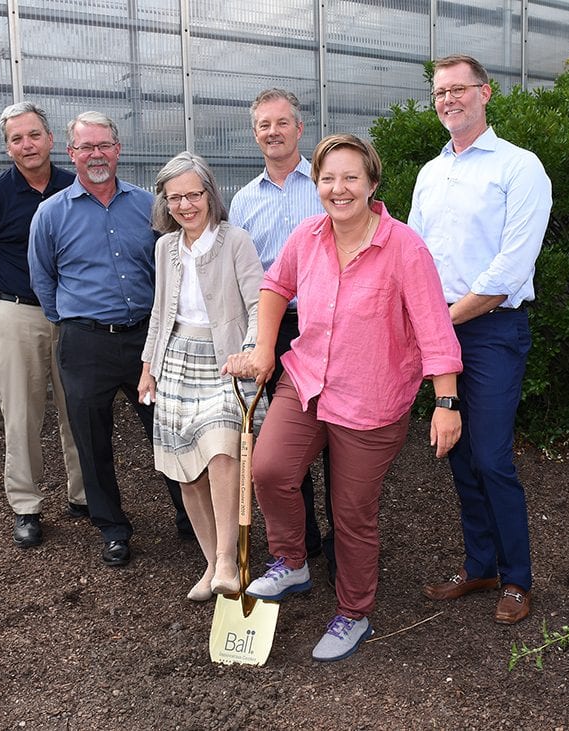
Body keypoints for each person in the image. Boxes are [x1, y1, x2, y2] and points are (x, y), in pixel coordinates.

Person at [225, 134, 463, 662]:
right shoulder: (306, 236)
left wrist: (446, 403)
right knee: (268, 470)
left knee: (351, 512)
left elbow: (434, 328)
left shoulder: (404, 246)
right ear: (317, 186)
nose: (339, 188)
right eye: (328, 178)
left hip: (371, 402)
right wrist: (264, 349)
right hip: (306, 380)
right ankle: (292, 561)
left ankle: (353, 612)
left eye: (351, 177)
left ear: (372, 184)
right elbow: (273, 286)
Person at [409, 54, 552, 625]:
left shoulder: (520, 168)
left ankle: (518, 580)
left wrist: (441, 322)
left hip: (490, 330)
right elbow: (414, 258)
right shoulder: (429, 173)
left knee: (492, 457)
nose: (448, 99)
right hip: (440, 329)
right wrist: (424, 323)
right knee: (459, 453)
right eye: (440, 92)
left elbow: (508, 271)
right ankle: (481, 567)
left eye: (459, 89)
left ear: (486, 93)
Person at [27, 111, 191, 568]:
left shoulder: (149, 206)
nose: (96, 155)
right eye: (86, 147)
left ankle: (189, 518)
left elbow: (172, 265)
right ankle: (113, 528)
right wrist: (75, 323)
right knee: (91, 439)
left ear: (118, 150)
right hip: (85, 344)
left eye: (104, 145)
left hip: (146, 339)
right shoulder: (51, 214)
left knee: (168, 430)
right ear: (71, 153)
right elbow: (44, 278)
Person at [138, 152, 265, 602]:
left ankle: (229, 559)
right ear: (165, 203)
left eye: (193, 194)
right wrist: (148, 367)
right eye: (175, 198)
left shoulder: (235, 241)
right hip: (175, 361)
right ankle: (210, 563)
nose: (186, 205)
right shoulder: (164, 248)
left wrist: (249, 352)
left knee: (221, 453)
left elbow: (258, 304)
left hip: (224, 362)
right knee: (186, 468)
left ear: (209, 194)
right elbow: (159, 313)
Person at [0, 101, 85, 548]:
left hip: (73, 316)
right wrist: (1, 285)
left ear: (52, 141)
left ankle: (85, 496)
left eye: (34, 135)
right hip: (19, 314)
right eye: (17, 138)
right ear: (8, 147)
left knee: (80, 409)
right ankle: (27, 505)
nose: (27, 145)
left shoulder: (77, 187)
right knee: (21, 415)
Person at [228, 88, 334, 573]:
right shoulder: (245, 200)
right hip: (274, 323)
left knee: (335, 430)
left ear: (300, 129)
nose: (273, 132)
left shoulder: (328, 186)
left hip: (328, 323)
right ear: (255, 135)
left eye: (281, 123)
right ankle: (302, 541)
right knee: (279, 436)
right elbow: (246, 274)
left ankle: (341, 541)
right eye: (263, 125)